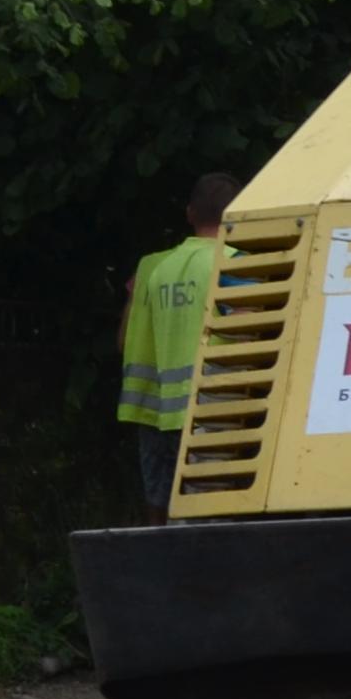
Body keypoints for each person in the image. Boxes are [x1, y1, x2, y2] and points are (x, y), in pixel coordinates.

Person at [122, 173, 242, 518]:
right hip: (212, 410)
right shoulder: (232, 262)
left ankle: (160, 572)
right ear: (235, 213)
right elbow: (250, 328)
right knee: (210, 514)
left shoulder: (160, 268)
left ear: (190, 213)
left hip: (160, 411)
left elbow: (130, 337)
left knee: (162, 512)